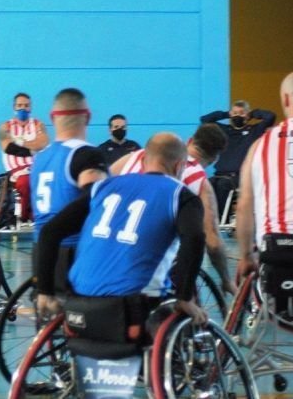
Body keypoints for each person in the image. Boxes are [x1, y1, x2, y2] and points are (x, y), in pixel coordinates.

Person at [36, 133, 207, 326]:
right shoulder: (181, 195)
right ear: (180, 166)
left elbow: (49, 231)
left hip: (79, 301)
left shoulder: (103, 187)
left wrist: (45, 290)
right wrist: (185, 296)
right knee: (173, 309)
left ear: (143, 161)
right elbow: (195, 239)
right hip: (132, 305)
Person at [112, 124, 235, 294]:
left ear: (190, 141)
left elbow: (101, 186)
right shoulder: (198, 180)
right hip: (148, 266)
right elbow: (212, 243)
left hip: (110, 253)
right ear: (215, 159)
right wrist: (226, 279)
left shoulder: (134, 156)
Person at [237, 70, 293, 278]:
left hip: (275, 249)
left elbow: (244, 205)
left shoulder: (260, 145)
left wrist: (246, 256)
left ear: (286, 99)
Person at [30, 88, 108, 245]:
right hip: (77, 249)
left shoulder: (39, 159)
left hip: (41, 248)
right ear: (88, 117)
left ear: (52, 118)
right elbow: (98, 204)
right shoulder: (87, 154)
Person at [200, 100, 276, 211]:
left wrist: (253, 114)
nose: (237, 116)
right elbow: (205, 120)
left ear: (247, 115)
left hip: (239, 176)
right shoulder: (225, 130)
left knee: (222, 186)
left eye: (241, 113)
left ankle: (221, 218)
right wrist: (226, 114)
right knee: (206, 185)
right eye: (235, 113)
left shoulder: (254, 131)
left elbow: (270, 117)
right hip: (219, 175)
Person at [0, 92, 49, 222]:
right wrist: (32, 148)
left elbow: (43, 143)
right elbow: (8, 147)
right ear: (14, 107)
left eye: (26, 105)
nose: (23, 108)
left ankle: (42, 216)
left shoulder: (39, 125)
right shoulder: (5, 126)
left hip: (37, 167)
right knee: (25, 181)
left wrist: (18, 141)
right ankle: (25, 217)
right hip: (16, 170)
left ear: (30, 107)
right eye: (19, 105)